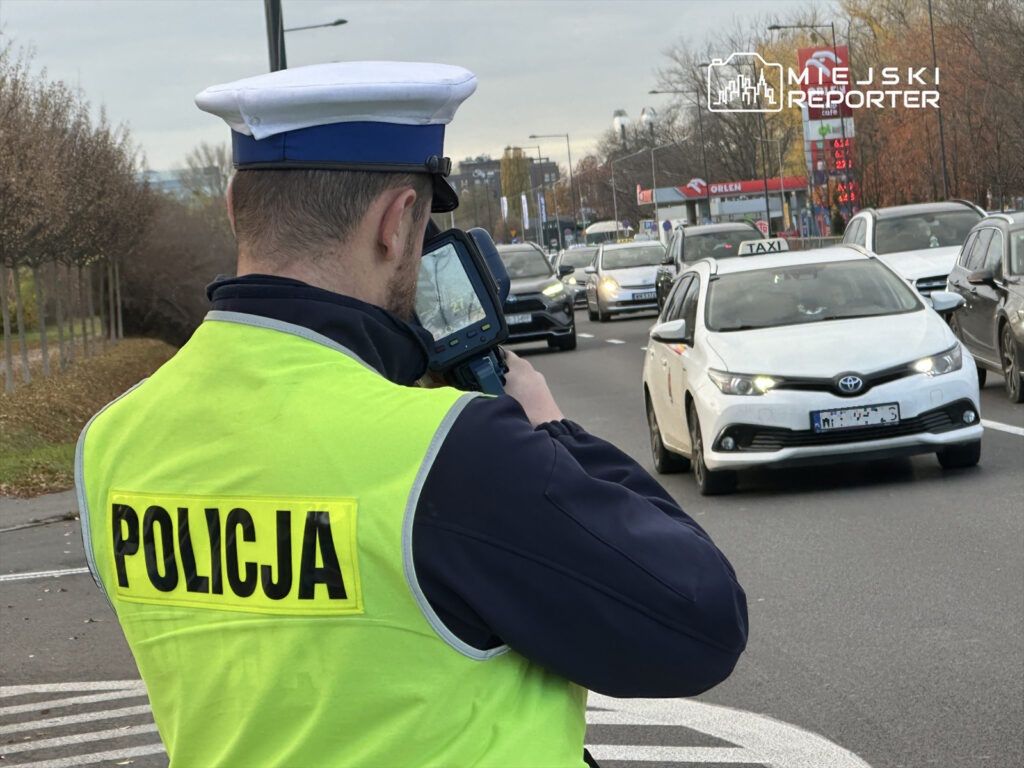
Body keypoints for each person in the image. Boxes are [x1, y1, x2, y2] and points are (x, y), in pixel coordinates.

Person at [76, 61, 747, 768]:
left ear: (234, 208)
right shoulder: (450, 451)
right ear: (397, 224)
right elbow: (700, 620)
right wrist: (551, 431)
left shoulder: (112, 442)